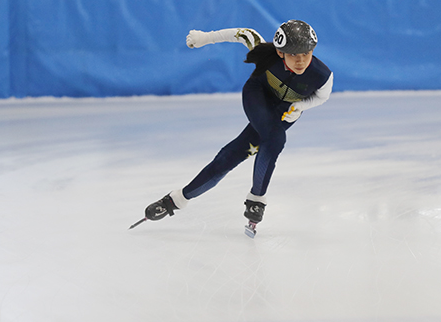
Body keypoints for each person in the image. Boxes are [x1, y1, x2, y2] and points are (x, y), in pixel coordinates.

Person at [141, 21, 333, 232]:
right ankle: (257, 200)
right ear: (280, 53)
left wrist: (300, 105)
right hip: (257, 96)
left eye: (306, 54)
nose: (300, 61)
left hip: (285, 113)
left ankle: (176, 200)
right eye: (294, 55)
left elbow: (321, 98)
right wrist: (205, 37)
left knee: (234, 154)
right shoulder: (266, 54)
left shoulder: (322, 76)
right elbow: (244, 34)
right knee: (276, 138)